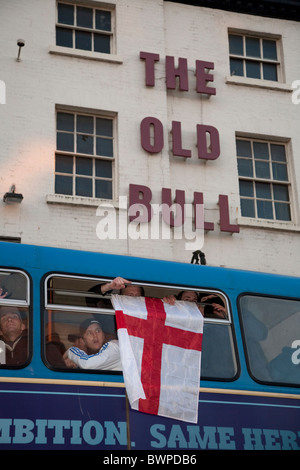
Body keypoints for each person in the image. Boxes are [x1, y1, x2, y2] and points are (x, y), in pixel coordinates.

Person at [163, 290, 228, 319]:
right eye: (187, 299)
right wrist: (167, 303)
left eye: (194, 300)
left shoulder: (207, 319)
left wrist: (225, 315)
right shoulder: (174, 314)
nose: (191, 303)